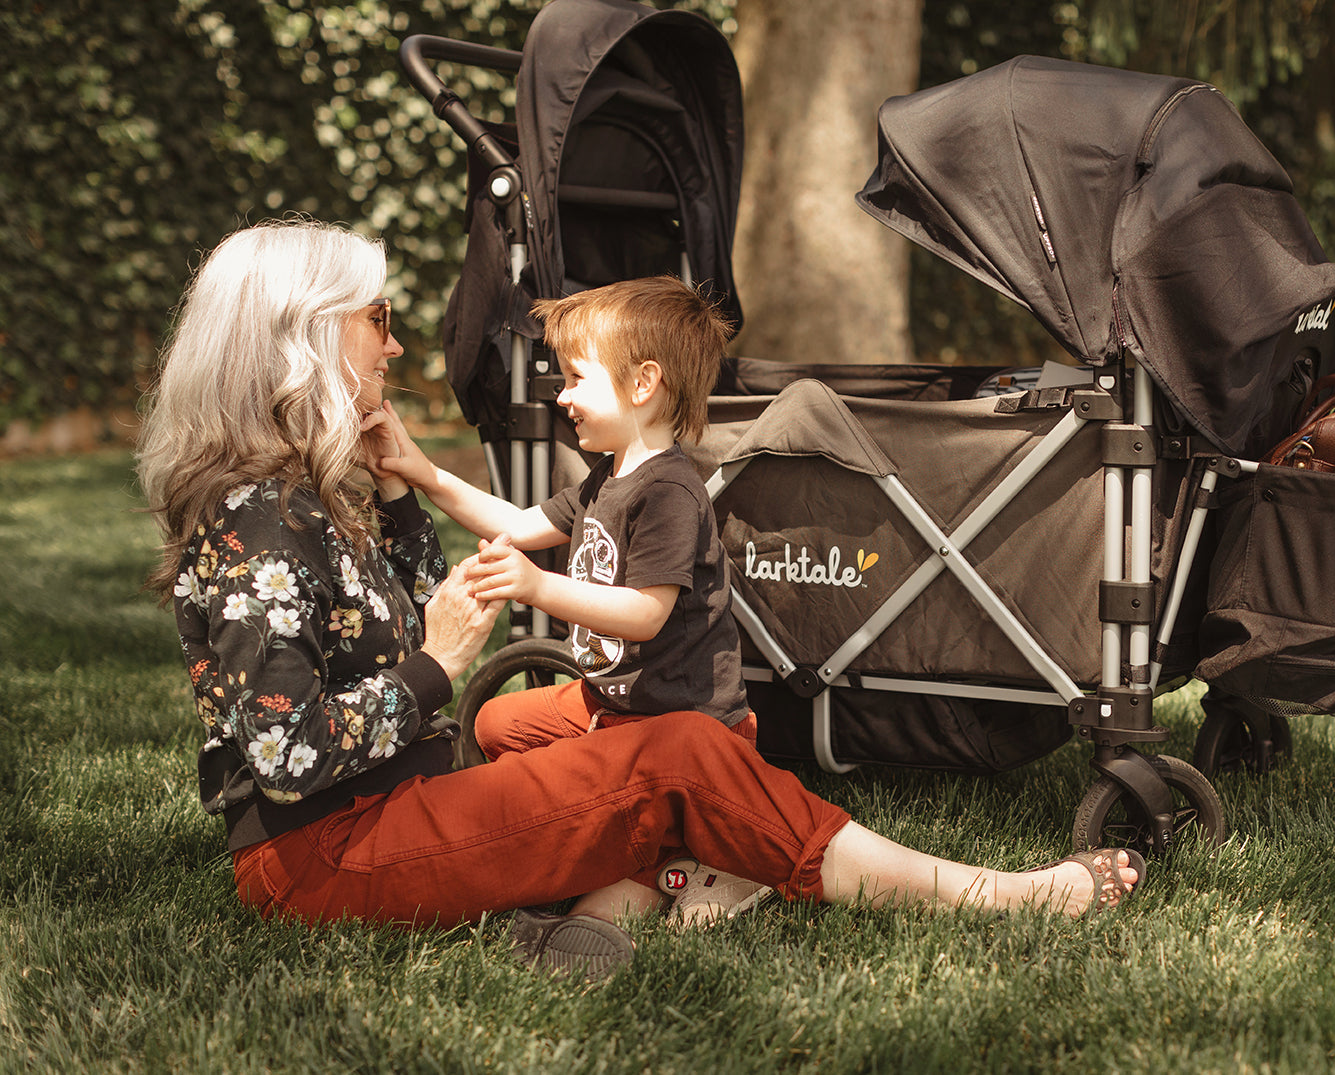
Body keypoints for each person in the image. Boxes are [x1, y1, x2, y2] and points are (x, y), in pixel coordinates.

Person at [135, 218, 1143, 981]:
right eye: (379, 322)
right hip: (327, 853)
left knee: (601, 742)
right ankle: (990, 895)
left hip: (392, 803)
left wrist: (404, 488)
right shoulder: (255, 523)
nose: (393, 348)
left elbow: (394, 613)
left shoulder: (294, 494)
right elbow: (287, 753)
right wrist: (434, 665)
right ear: (305, 338)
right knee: (680, 753)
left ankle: (618, 898)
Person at [371, 276, 769, 929]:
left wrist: (535, 586)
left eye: (577, 378)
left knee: (595, 911)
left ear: (643, 384)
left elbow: (646, 612)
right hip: (615, 705)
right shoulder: (607, 478)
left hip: (687, 732)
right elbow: (512, 521)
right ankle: (631, 828)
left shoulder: (667, 491)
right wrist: (421, 469)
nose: (562, 396)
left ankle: (716, 860)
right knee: (496, 726)